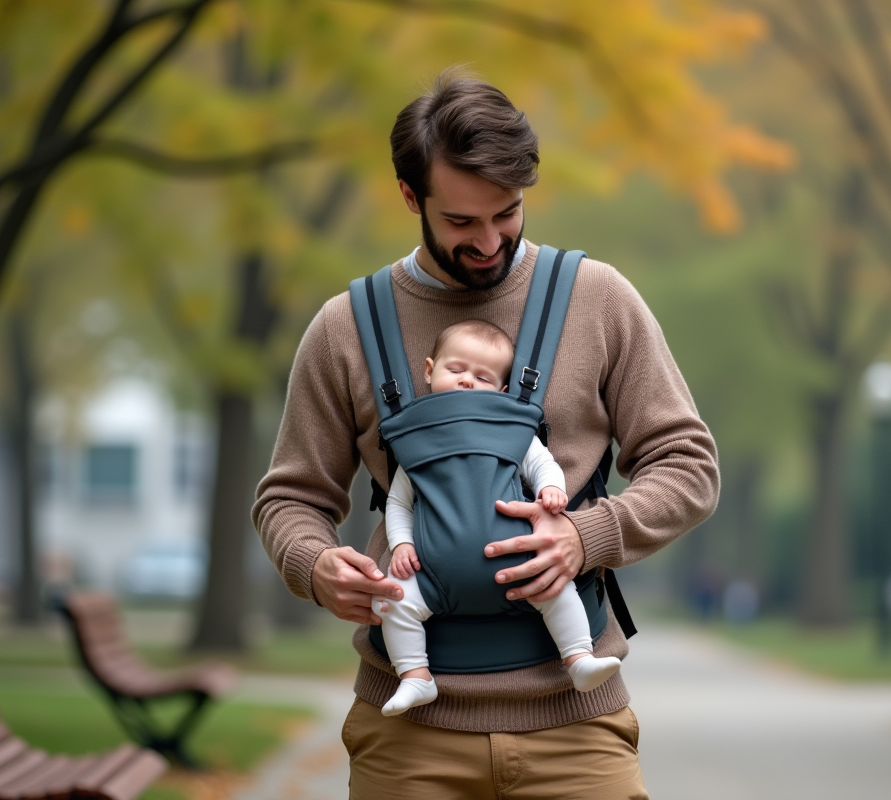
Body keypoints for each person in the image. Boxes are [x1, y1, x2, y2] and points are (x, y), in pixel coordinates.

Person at [253, 68, 719, 799]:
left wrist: (587, 535)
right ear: (412, 198)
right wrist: (314, 564)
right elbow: (288, 497)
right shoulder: (344, 328)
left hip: (577, 729)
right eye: (462, 221)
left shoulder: (599, 301)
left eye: (507, 212)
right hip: (407, 740)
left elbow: (688, 465)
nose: (491, 240)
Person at [377, 318, 622, 717]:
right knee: (396, 600)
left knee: (556, 587)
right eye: (455, 370)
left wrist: (550, 489)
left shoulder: (510, 432)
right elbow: (399, 502)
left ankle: (579, 659)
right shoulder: (417, 440)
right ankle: (414, 676)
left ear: (503, 391)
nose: (468, 382)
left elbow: (542, 462)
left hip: (519, 561)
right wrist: (401, 543)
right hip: (433, 573)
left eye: (483, 377)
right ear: (428, 370)